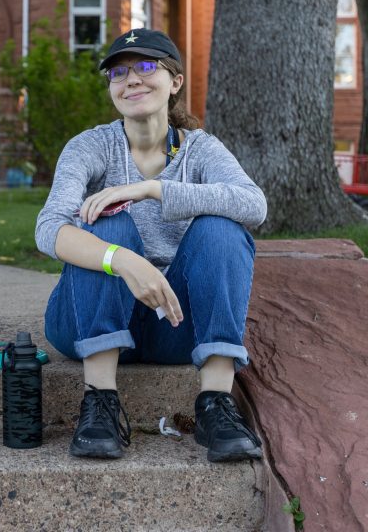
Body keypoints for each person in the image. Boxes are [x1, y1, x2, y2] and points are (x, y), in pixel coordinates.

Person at [35, 28, 266, 462]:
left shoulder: (201, 151)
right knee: (108, 223)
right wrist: (122, 260)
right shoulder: (90, 146)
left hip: (173, 322)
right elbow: (49, 227)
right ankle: (100, 403)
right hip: (83, 318)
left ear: (175, 81)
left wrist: (152, 189)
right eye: (118, 73)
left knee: (223, 228)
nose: (132, 80)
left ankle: (215, 405)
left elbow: (254, 204)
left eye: (145, 66)